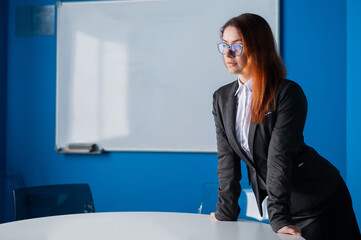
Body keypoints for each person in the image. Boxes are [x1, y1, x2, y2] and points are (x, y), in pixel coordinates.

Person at [210, 13, 360, 240]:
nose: (228, 54)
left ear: (259, 47)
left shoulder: (287, 93)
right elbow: (226, 158)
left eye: (237, 46)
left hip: (317, 199)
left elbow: (279, 155)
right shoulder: (221, 98)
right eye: (224, 45)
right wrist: (226, 210)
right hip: (284, 204)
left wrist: (278, 216)